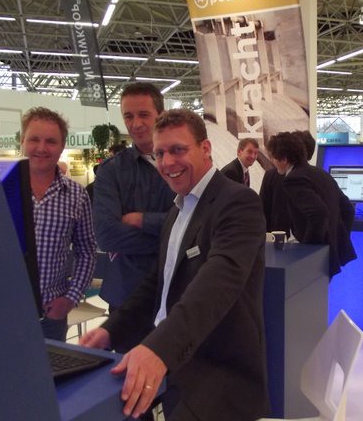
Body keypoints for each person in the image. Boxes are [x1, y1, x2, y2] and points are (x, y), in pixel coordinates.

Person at [81, 109, 270, 421]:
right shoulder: (178, 208)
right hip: (177, 364)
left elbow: (216, 284)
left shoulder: (237, 202)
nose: (167, 162)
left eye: (178, 150)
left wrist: (160, 348)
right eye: (160, 153)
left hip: (217, 374)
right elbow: (159, 282)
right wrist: (111, 330)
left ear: (205, 148)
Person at [93, 83, 175, 312]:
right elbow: (106, 235)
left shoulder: (183, 165)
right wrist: (175, 237)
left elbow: (198, 221)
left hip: (177, 291)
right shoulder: (111, 171)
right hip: (127, 296)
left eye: (144, 115)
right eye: (128, 116)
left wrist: (141, 220)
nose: (136, 124)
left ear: (161, 115)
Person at [20, 107, 97, 341]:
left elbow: (87, 251)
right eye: (34, 139)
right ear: (22, 141)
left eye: (51, 141)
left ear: (62, 146)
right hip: (1, 309)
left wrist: (71, 298)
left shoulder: (76, 195)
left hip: (50, 316)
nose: (41, 148)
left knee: (52, 366)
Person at [266, 131, 356, 277]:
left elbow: (319, 213)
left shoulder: (293, 179)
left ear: (284, 159)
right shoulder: (321, 173)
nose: (272, 162)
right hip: (330, 254)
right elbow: (348, 209)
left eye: (273, 157)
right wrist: (337, 240)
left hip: (315, 258)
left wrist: (308, 249)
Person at [260, 130, 315, 235]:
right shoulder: (316, 176)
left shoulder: (272, 175)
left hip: (279, 235)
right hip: (290, 236)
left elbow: (263, 209)